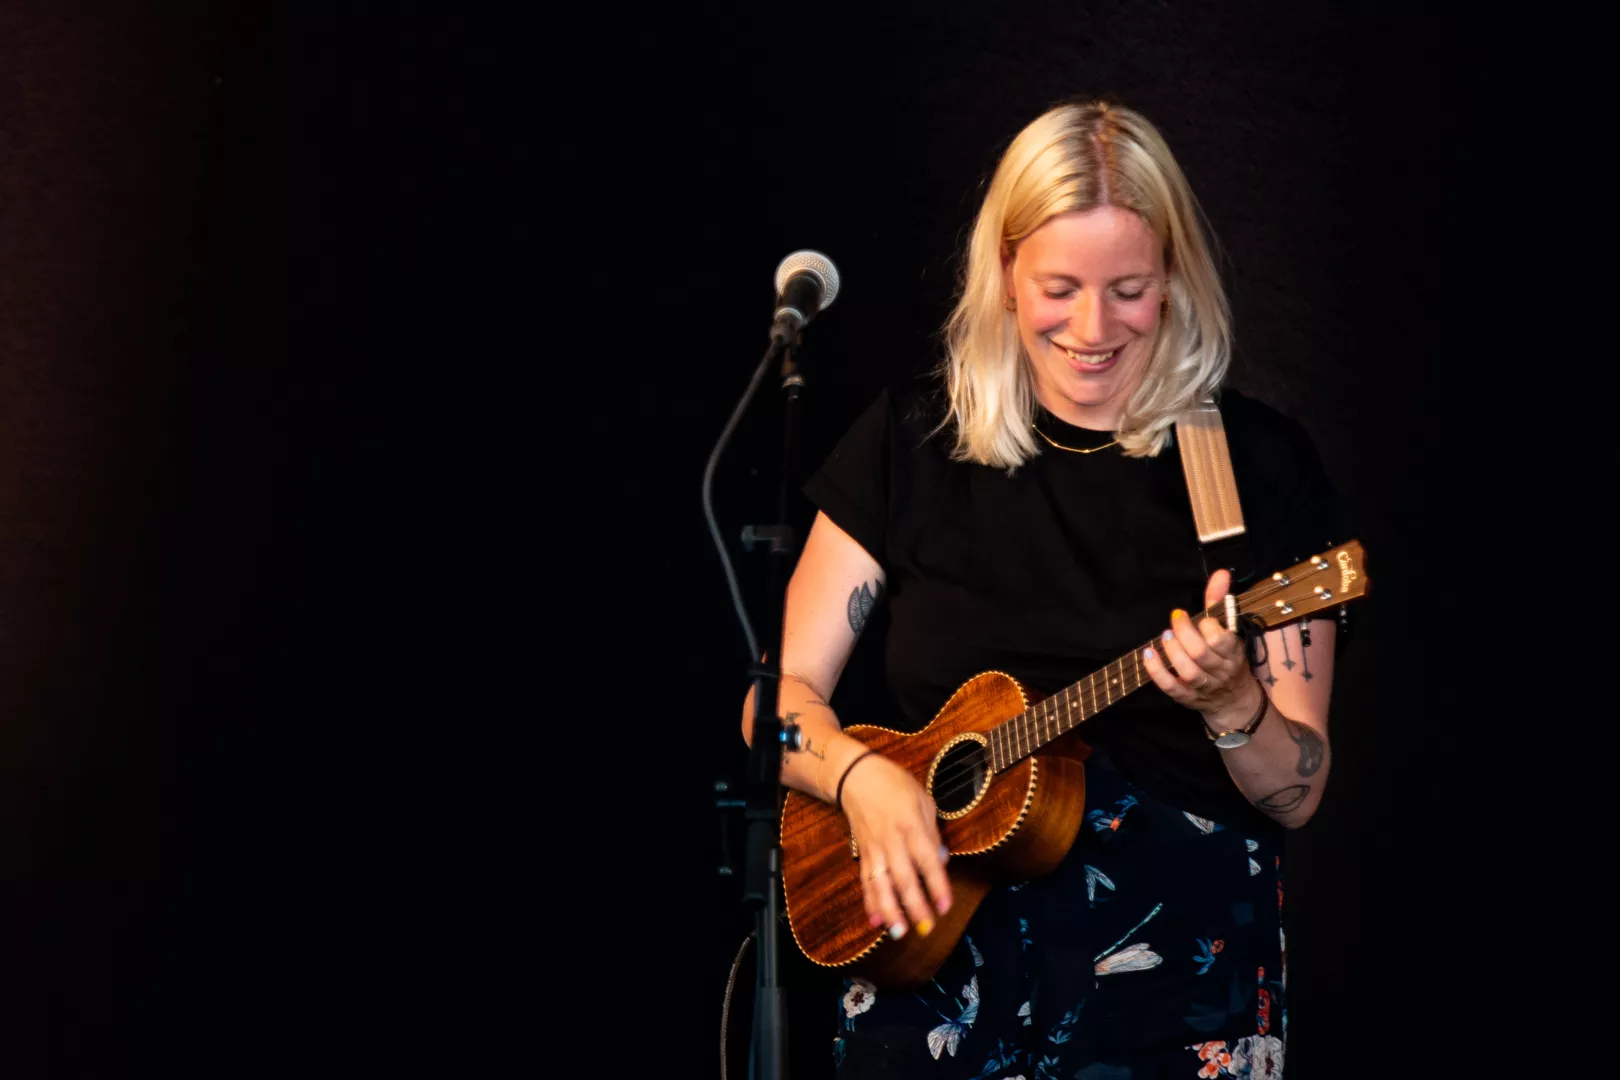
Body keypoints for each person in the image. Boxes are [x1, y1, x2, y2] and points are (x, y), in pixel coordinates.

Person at [740, 100, 1343, 1079]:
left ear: (1176, 279)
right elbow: (776, 700)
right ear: (1007, 270)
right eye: (1060, 286)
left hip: (1172, 987)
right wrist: (859, 776)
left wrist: (1236, 704)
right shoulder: (911, 442)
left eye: (1131, 290)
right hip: (930, 968)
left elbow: (1299, 791)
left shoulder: (1254, 470)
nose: (1093, 329)